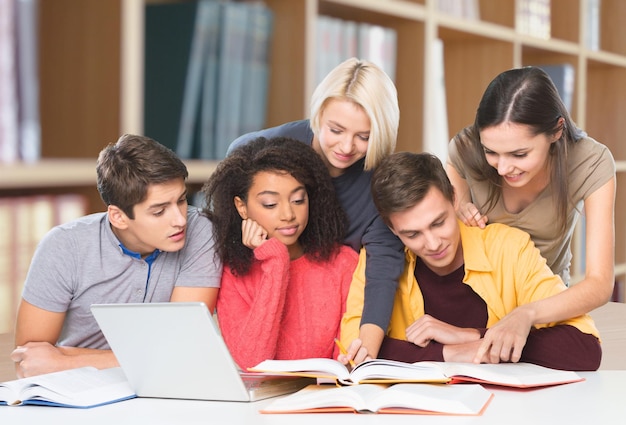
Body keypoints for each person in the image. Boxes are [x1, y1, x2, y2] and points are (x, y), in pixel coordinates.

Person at [340, 152, 601, 371]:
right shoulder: (378, 261)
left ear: (454, 198)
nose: (432, 244)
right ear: (392, 229)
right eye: (412, 234)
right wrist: (455, 353)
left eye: (438, 223)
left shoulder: (509, 247)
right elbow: (357, 351)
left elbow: (584, 348)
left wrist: (473, 336)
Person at [227, 57, 404, 359]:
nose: (346, 147)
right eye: (336, 130)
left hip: (331, 315)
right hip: (261, 296)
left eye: (364, 137)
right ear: (319, 113)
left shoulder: (379, 184)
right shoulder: (272, 147)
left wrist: (367, 342)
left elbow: (383, 268)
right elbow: (236, 169)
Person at [11, 134, 222, 378]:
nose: (180, 219)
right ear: (118, 217)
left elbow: (180, 349)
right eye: (159, 211)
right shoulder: (64, 246)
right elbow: (28, 361)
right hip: (77, 390)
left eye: (182, 200)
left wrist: (64, 361)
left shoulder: (202, 230)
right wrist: (150, 360)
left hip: (163, 385)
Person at [446, 66, 615, 363]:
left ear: (556, 131)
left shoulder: (590, 162)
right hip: (474, 301)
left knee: (581, 353)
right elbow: (445, 203)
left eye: (519, 154)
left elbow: (600, 282)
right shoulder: (465, 149)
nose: (502, 168)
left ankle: (475, 341)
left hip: (543, 306)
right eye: (491, 152)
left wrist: (526, 314)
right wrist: (458, 205)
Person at [202, 137, 358, 370]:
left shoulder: (343, 263)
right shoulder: (232, 272)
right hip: (259, 404)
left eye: (298, 200)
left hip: (327, 399)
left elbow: (344, 363)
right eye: (270, 204)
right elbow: (252, 362)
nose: (288, 214)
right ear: (241, 207)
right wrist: (275, 261)